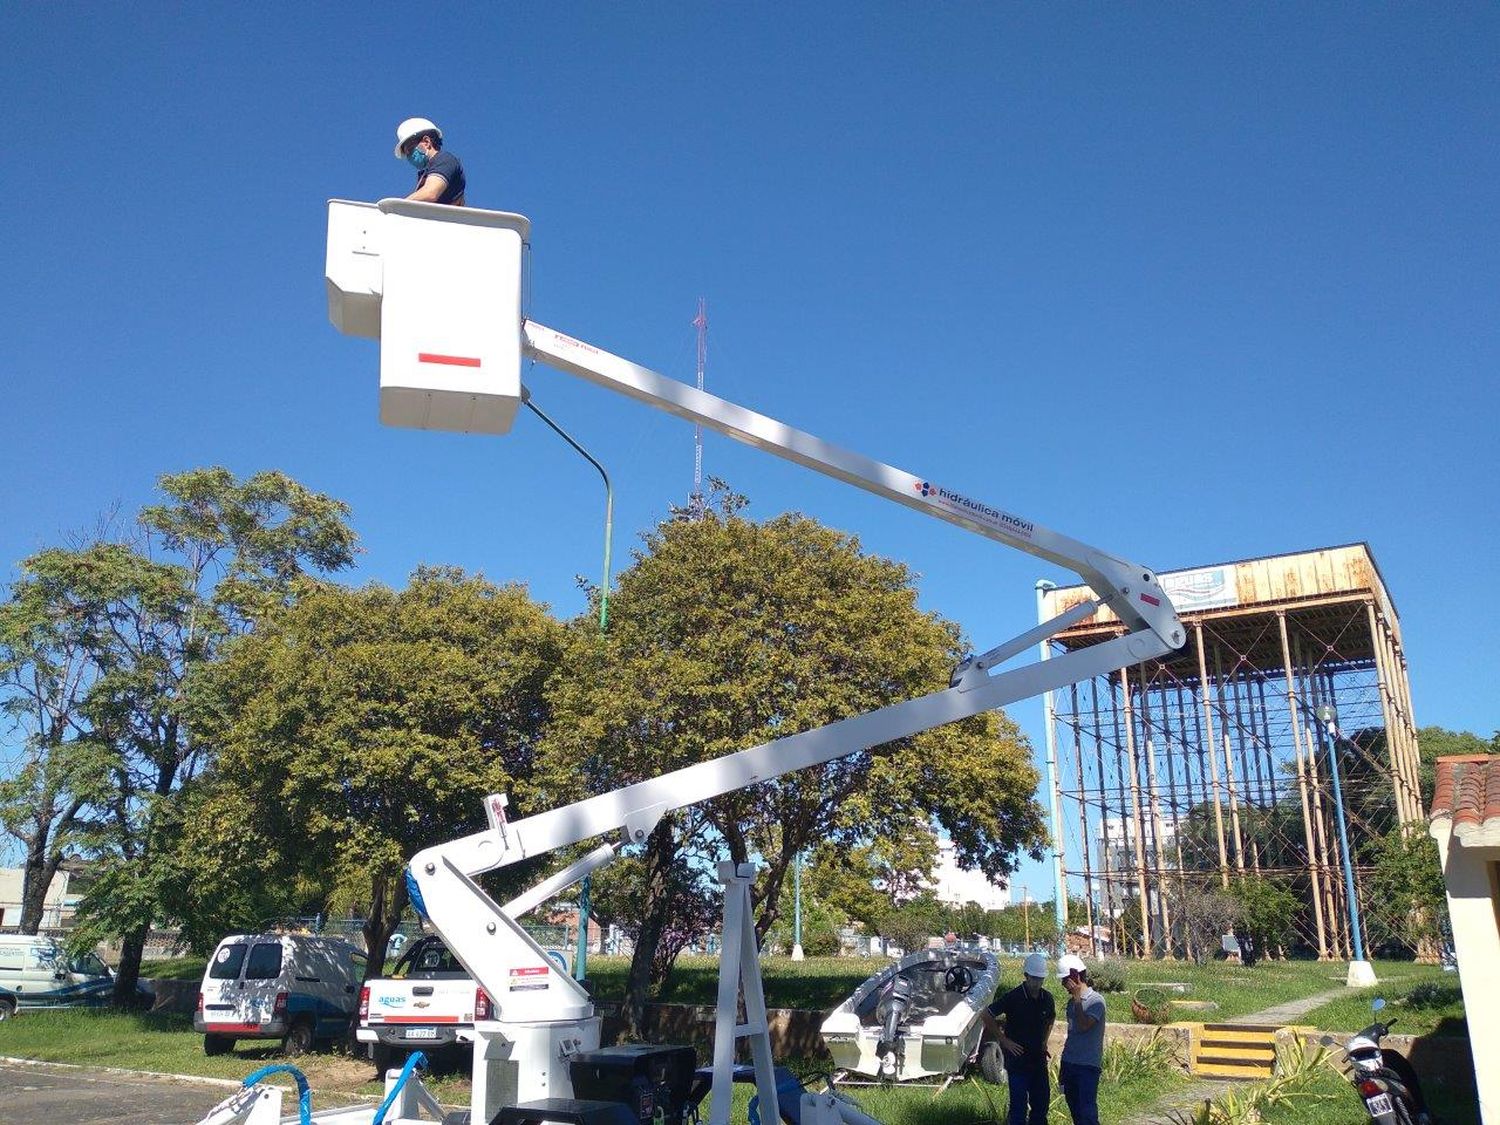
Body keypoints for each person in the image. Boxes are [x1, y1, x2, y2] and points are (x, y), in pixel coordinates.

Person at [981, 951, 1055, 1125]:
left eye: (1040, 979)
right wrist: (1004, 1040)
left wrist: (1045, 1041)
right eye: (1034, 978)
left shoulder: (1047, 998)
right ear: (1026, 976)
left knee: (1041, 1105)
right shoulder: (1014, 997)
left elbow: (1051, 1018)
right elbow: (986, 1014)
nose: (1037, 983)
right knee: (1018, 1108)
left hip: (1038, 1060)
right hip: (1018, 1061)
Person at [1057, 953, 1104, 1125]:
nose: (1063, 985)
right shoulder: (1071, 1004)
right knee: (1076, 1113)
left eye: (1065, 980)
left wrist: (1077, 999)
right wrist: (1063, 1065)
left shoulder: (1096, 1001)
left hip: (1087, 1066)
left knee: (1087, 1114)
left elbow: (1084, 1025)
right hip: (1070, 1063)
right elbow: (1072, 1034)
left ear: (1075, 976)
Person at [394, 117, 466, 206]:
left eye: (410, 149)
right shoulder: (426, 174)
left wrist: (398, 206)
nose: (409, 156)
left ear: (426, 142)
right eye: (406, 153)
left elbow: (430, 193)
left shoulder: (444, 160)